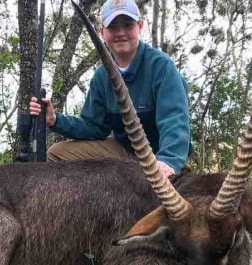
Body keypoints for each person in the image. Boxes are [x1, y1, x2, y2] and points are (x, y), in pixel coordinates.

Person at [29, 0, 191, 178]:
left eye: (128, 25)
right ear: (102, 32)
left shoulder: (161, 67)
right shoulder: (102, 76)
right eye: (113, 27)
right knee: (55, 154)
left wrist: (169, 161)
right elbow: (93, 127)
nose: (120, 33)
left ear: (140, 26)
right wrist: (55, 120)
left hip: (160, 157)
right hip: (124, 151)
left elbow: (174, 121)